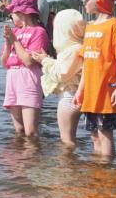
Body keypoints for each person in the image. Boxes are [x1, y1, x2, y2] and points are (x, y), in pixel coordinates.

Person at [73, 0, 116, 159]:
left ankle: (107, 171)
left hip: (107, 91)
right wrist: (80, 91)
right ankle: (98, 171)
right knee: (94, 135)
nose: (83, 1)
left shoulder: (114, 25)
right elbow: (86, 64)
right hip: (91, 92)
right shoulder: (90, 27)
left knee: (105, 134)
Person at [31, 9, 85, 146]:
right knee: (69, 138)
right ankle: (71, 164)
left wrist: (44, 60)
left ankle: (66, 166)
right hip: (73, 96)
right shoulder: (77, 47)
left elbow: (62, 73)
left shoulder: (73, 49)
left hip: (69, 98)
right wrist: (47, 58)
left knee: (66, 140)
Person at [0, 0, 49, 137]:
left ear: (22, 13)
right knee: (19, 130)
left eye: (12, 13)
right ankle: (19, 158)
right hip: (12, 78)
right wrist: (9, 44)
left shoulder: (39, 32)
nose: (11, 17)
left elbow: (28, 61)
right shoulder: (15, 32)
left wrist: (14, 41)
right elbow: (4, 62)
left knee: (31, 132)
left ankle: (32, 157)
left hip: (29, 79)